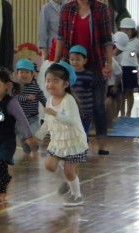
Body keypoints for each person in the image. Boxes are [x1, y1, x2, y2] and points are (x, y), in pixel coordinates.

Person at [54, 0, 113, 155]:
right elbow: (60, 37)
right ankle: (73, 140)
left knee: (98, 106)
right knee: (70, 105)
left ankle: (102, 144)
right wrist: (55, 62)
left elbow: (107, 39)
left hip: (95, 64)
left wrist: (109, 64)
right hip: (71, 65)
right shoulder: (67, 8)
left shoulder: (101, 8)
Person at [35, 62, 88, 207]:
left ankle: (77, 196)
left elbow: (70, 121)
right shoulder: (50, 101)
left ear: (65, 84)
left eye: (55, 81)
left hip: (73, 142)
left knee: (69, 170)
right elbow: (47, 123)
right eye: (48, 80)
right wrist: (37, 137)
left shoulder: (68, 100)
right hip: (58, 141)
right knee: (49, 165)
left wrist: (56, 113)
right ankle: (66, 180)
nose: (50, 84)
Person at [0, 67, 37, 203]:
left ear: (7, 86)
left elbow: (22, 120)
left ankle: (1, 192)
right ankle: (5, 178)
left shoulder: (11, 103)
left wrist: (29, 137)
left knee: (2, 164)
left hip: (5, 141)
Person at [14, 59, 46, 156]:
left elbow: (42, 97)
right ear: (17, 74)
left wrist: (47, 106)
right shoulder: (16, 87)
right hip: (19, 118)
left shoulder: (35, 87)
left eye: (27, 72)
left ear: (32, 75)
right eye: (21, 72)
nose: (24, 74)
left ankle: (33, 145)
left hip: (33, 116)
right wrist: (26, 98)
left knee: (33, 133)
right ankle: (25, 146)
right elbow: (14, 98)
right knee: (22, 134)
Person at [118, 18, 139, 118]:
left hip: (131, 68)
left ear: (133, 31)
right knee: (122, 92)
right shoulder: (118, 40)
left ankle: (129, 113)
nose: (125, 32)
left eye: (127, 30)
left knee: (129, 91)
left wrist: (130, 52)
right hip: (120, 67)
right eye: (123, 29)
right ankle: (122, 113)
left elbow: (135, 54)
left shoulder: (136, 42)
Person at [68, 45, 94, 136]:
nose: (74, 62)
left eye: (78, 59)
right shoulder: (67, 76)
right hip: (72, 110)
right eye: (72, 59)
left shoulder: (89, 75)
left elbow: (93, 92)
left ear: (85, 61)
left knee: (84, 132)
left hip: (86, 110)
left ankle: (83, 148)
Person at [105, 32, 125, 129]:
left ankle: (114, 118)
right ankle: (109, 119)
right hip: (105, 85)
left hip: (112, 85)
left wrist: (116, 86)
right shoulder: (103, 60)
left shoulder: (112, 62)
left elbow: (119, 74)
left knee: (112, 102)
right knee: (107, 103)